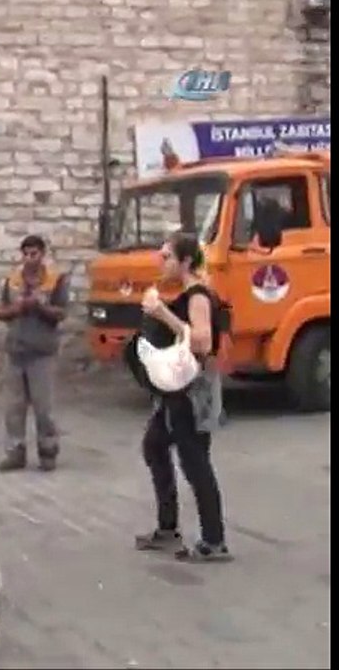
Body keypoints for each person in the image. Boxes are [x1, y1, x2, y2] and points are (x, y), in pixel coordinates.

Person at [133, 232, 231, 562]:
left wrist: (163, 315)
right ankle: (167, 528)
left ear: (186, 261)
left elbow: (201, 342)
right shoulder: (189, 292)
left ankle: (214, 541)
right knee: (155, 445)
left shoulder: (198, 295)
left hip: (192, 391)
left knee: (194, 461)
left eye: (168, 257)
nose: (162, 262)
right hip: (176, 389)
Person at [0, 235, 69, 472]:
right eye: (25, 254)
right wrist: (17, 308)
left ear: (42, 254)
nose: (29, 259)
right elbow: (0, 311)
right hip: (15, 351)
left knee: (43, 407)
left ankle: (48, 452)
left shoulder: (55, 280)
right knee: (13, 408)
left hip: (42, 352)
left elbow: (61, 313)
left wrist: (40, 307)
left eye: (34, 254)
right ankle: (15, 453)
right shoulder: (13, 281)